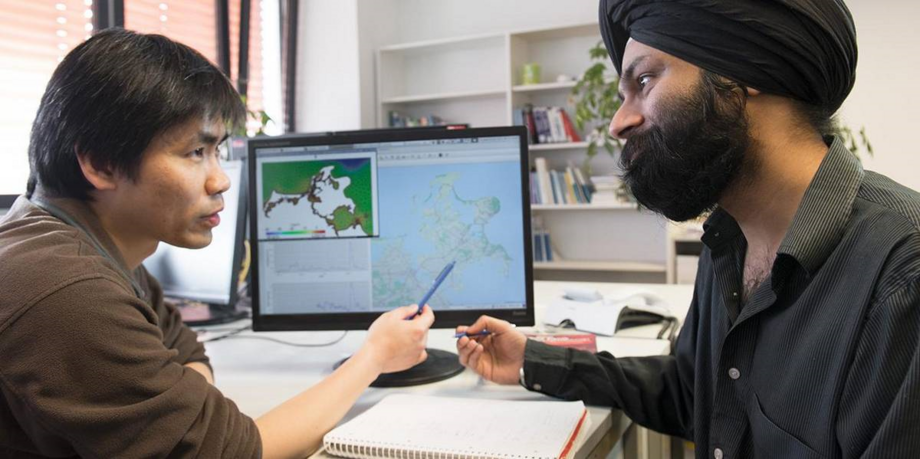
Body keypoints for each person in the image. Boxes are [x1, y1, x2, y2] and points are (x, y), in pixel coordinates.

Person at [458, 1, 920, 457]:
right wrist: (535, 361)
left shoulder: (902, 275)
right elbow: (689, 392)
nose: (619, 123)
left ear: (744, 72)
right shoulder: (728, 240)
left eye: (644, 80)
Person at [0, 28, 434, 458]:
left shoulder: (80, 243)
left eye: (217, 152)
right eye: (194, 152)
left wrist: (189, 413)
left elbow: (183, 347)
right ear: (100, 163)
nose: (221, 179)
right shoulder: (69, 293)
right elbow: (242, 454)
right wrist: (373, 358)